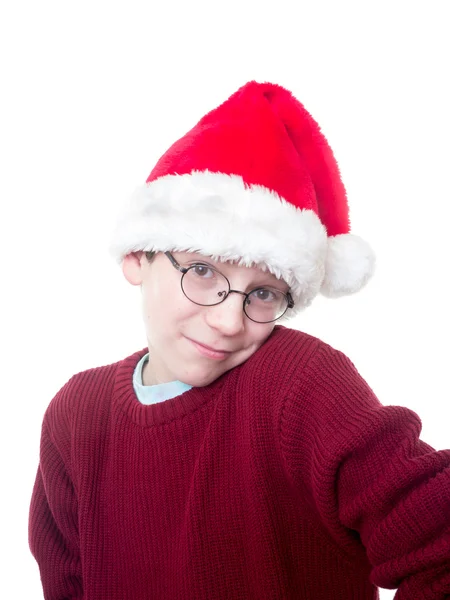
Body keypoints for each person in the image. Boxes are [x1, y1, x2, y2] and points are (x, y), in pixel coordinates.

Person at [28, 81, 450, 599]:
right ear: (138, 257)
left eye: (264, 293)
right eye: (203, 270)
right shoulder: (76, 412)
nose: (230, 321)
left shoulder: (299, 383)